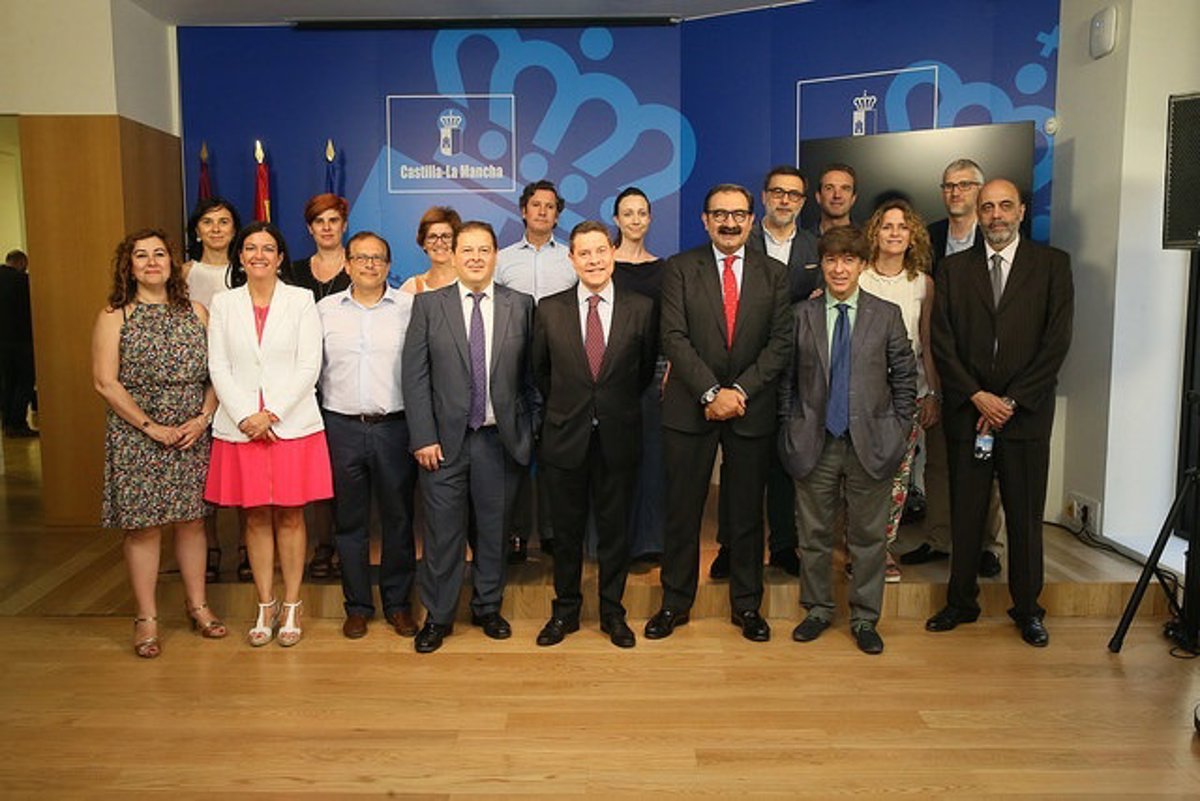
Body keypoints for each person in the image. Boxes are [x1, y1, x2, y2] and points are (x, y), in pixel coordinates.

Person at [926, 178, 1074, 648]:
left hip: (1025, 416)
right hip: (969, 412)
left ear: (1021, 211)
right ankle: (960, 603)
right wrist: (976, 395)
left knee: (1024, 518)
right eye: (987, 207)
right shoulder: (952, 269)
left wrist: (1010, 401)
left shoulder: (1052, 265)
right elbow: (942, 342)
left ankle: (1028, 609)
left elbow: (1056, 343)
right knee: (966, 514)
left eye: (1004, 206)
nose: (995, 215)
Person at [647, 183, 791, 643]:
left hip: (751, 406)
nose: (730, 223)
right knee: (683, 511)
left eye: (738, 214)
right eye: (720, 214)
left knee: (746, 514)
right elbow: (672, 336)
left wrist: (739, 391)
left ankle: (747, 606)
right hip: (691, 407)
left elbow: (780, 343)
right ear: (705, 220)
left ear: (751, 220)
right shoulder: (679, 268)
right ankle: (674, 603)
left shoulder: (775, 273)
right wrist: (711, 392)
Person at [779, 226, 917, 655]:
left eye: (848, 260)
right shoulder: (800, 315)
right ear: (821, 265)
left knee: (868, 538)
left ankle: (864, 618)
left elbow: (905, 379)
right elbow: (786, 382)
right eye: (831, 260)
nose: (839, 269)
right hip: (814, 441)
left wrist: (897, 430)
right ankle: (818, 610)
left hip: (871, 443)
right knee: (813, 535)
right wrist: (789, 428)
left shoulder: (886, 314)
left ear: (862, 265)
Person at [402, 221, 538, 654]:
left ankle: (487, 607)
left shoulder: (521, 305)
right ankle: (438, 617)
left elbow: (534, 377)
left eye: (484, 250)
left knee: (494, 532)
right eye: (467, 250)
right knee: (442, 535)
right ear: (453, 255)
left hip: (500, 441)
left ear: (496, 255)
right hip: (442, 444)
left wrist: (529, 430)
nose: (476, 258)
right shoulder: (428, 305)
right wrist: (423, 437)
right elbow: (414, 378)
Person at [91, 229, 226, 657]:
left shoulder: (198, 313)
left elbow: (219, 374)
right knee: (143, 527)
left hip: (191, 433)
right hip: (136, 435)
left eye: (160, 254)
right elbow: (105, 382)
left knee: (192, 522)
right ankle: (146, 617)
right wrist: (151, 427)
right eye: (141, 256)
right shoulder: (115, 316)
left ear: (172, 263)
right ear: (128, 267)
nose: (152, 262)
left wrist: (202, 419)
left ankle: (197, 606)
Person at [206, 222, 332, 647]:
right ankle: (265, 604)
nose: (258, 255)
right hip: (241, 428)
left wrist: (271, 414)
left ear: (280, 258)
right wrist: (247, 416)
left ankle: (292, 604)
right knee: (255, 516)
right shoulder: (224, 303)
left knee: (292, 516)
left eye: (268, 248)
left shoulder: (301, 300)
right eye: (250, 248)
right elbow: (218, 366)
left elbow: (309, 365)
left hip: (290, 426)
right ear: (240, 257)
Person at [532, 221, 656, 648]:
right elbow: (541, 373)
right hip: (565, 436)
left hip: (619, 436)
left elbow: (643, 372)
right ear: (571, 260)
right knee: (566, 533)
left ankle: (612, 613)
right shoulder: (549, 309)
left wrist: (608, 405)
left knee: (615, 531)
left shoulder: (641, 308)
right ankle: (565, 611)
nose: (593, 260)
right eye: (584, 253)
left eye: (600, 251)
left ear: (613, 254)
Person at [712, 165, 823, 580]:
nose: (784, 200)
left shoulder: (816, 247)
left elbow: (821, 302)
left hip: (798, 369)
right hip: (743, 369)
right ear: (763, 197)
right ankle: (730, 546)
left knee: (785, 459)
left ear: (803, 201)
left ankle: (783, 545)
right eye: (777, 192)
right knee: (737, 463)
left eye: (793, 194)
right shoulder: (740, 238)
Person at [906, 158, 1005, 579]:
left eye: (965, 185)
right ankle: (940, 537)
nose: (955, 192)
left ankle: (987, 545)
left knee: (987, 459)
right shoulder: (928, 238)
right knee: (938, 460)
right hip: (939, 364)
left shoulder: (997, 235)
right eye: (948, 185)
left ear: (980, 192)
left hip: (987, 370)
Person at [318, 231, 419, 639]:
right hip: (341, 427)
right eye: (361, 258)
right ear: (347, 265)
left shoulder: (409, 308)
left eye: (377, 258)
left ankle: (398, 605)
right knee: (350, 522)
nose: (369, 265)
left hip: (395, 427)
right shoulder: (324, 311)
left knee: (399, 520)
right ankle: (357, 606)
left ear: (389, 266)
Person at [859, 200, 940, 583]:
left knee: (897, 476)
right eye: (887, 225)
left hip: (907, 394)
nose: (894, 233)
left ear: (913, 236)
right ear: (874, 232)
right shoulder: (857, 276)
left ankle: (883, 549)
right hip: (860, 394)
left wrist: (932, 393)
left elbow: (926, 343)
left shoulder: (923, 284)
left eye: (902, 227)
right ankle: (858, 548)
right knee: (858, 475)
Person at [495, 180, 576, 562]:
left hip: (562, 366)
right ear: (523, 210)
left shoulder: (571, 259)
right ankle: (516, 534)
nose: (543, 211)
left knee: (555, 453)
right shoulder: (502, 259)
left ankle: (553, 532)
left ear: (557, 214)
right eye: (536, 205)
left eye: (550, 206)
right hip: (513, 364)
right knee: (515, 452)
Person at [288, 193, 351, 581]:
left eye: (333, 220)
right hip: (301, 388)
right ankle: (323, 544)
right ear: (309, 228)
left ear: (344, 225)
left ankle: (347, 545)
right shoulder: (292, 272)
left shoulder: (361, 267)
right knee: (316, 472)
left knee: (345, 473)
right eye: (319, 221)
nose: (327, 227)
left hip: (345, 382)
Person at [182, 197, 245, 583]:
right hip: (195, 381)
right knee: (200, 474)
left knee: (240, 471)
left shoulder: (246, 270)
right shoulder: (183, 273)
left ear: (235, 230)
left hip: (238, 382)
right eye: (208, 222)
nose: (217, 229)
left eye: (224, 221)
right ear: (197, 230)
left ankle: (245, 548)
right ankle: (210, 548)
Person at [611, 187, 665, 565]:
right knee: (613, 460)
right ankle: (615, 542)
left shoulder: (665, 268)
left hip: (655, 372)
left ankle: (649, 541)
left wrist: (671, 363)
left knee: (652, 459)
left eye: (641, 213)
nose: (635, 220)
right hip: (610, 371)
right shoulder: (602, 264)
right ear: (616, 219)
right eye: (627, 213)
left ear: (649, 218)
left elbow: (673, 321)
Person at [0, 248, 36, 437]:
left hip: (2, 342)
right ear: (21, 263)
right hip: (21, 340)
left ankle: (7, 423)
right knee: (25, 382)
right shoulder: (22, 282)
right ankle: (17, 423)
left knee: (8, 383)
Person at [401, 206, 462, 295]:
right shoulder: (412, 287)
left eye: (446, 236)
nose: (439, 243)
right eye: (432, 237)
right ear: (423, 243)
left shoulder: (470, 282)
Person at [810, 163, 858, 236]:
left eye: (845, 189)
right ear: (818, 197)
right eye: (829, 188)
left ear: (853, 198)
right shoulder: (800, 241)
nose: (837, 195)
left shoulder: (867, 240)